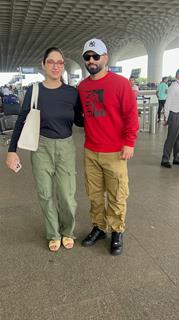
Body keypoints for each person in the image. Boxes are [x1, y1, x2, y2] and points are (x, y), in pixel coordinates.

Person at [6, 47, 83, 252]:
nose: (55, 66)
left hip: (65, 147)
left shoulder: (72, 93)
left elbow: (80, 120)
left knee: (67, 195)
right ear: (43, 64)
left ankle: (68, 230)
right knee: (45, 193)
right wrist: (12, 150)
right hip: (40, 147)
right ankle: (53, 233)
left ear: (63, 66)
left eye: (59, 62)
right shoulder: (34, 91)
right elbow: (22, 120)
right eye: (51, 62)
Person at [78, 38, 139, 255]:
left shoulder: (121, 83)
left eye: (96, 56)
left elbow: (131, 114)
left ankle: (117, 231)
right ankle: (98, 227)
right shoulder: (82, 86)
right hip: (91, 150)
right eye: (87, 57)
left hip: (115, 151)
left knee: (117, 194)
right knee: (94, 194)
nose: (91, 60)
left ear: (106, 57)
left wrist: (129, 142)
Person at [161, 69, 179, 168]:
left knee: (178, 139)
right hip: (174, 114)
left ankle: (177, 158)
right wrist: (166, 118)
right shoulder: (173, 87)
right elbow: (167, 104)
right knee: (171, 138)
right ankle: (165, 159)